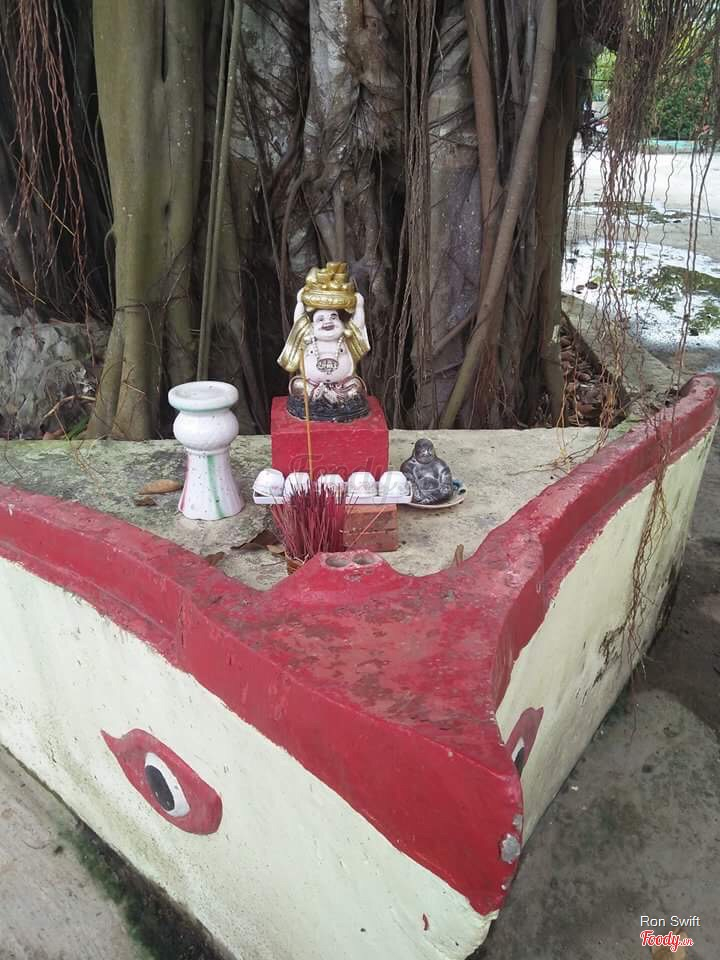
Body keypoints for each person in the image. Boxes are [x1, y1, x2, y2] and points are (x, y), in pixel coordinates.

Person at [278, 263, 370, 421]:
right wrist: (300, 302)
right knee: (298, 385)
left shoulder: (345, 336)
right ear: (311, 325)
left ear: (341, 322)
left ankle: (336, 397)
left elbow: (358, 325)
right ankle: (318, 395)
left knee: (356, 386)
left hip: (342, 384)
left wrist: (359, 306)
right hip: (313, 384)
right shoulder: (308, 335)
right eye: (320, 319)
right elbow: (298, 320)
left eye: (333, 317)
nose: (328, 322)